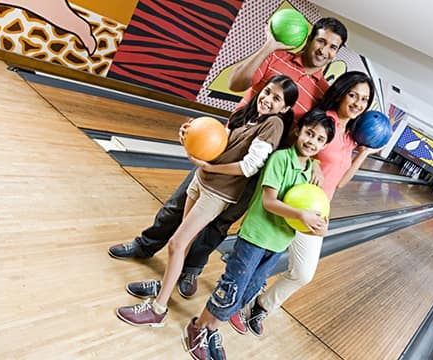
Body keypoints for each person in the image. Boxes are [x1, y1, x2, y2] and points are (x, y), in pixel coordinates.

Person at [107, 16, 347, 299]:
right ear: (310, 38)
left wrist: (316, 161)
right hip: (226, 146)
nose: (324, 50)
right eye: (321, 40)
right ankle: (146, 245)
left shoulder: (321, 92)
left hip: (261, 166)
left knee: (219, 224)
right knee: (181, 202)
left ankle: (190, 269)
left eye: (333, 47)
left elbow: (315, 132)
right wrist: (268, 46)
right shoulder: (278, 58)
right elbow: (236, 82)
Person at [114, 75, 299, 327]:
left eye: (277, 99)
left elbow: (248, 167)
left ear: (285, 108)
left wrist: (208, 166)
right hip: (202, 181)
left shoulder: (274, 125)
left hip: (217, 193)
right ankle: (164, 290)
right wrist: (190, 136)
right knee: (183, 244)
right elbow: (216, 141)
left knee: (176, 244)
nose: (267, 100)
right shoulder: (249, 114)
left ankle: (158, 310)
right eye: (267, 92)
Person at [229, 71, 383, 337]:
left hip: (318, 210)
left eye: (364, 99)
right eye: (353, 95)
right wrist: (314, 166)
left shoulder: (350, 137)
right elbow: (296, 148)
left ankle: (261, 305)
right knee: (261, 260)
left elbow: (341, 182)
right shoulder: (326, 121)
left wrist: (362, 154)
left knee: (302, 273)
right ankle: (233, 303)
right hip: (295, 202)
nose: (358, 102)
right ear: (342, 93)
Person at [182, 110, 336, 360]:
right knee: (231, 287)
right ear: (298, 130)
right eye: (309, 133)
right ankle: (199, 326)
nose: (312, 141)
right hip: (255, 236)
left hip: (278, 242)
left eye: (319, 139)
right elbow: (269, 202)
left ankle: (212, 329)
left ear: (324, 145)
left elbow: (314, 210)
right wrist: (301, 215)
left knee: (247, 291)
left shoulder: (310, 171)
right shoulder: (280, 159)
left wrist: (320, 226)